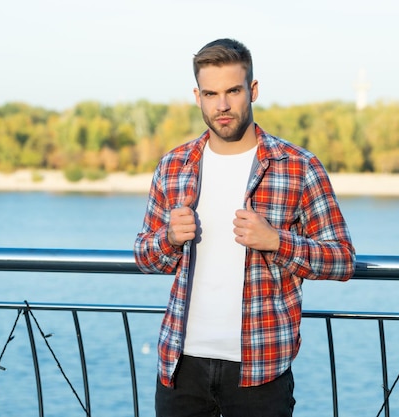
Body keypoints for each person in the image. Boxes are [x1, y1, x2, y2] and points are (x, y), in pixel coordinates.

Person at [133, 38, 356, 417]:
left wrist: (277, 242)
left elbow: (343, 260)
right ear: (197, 96)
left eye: (233, 91)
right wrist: (168, 238)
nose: (222, 105)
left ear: (252, 90)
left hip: (261, 368)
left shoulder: (297, 165)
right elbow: (144, 255)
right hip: (181, 366)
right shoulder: (174, 164)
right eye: (210, 93)